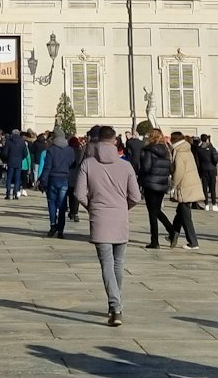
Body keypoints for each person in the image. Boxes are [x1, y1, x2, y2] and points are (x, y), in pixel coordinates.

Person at [72, 125, 141, 327]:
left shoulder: (88, 164)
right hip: (120, 218)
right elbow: (136, 196)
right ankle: (116, 303)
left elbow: (78, 193)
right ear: (115, 141)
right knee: (118, 264)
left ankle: (115, 305)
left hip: (100, 218)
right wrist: (122, 207)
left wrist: (92, 207)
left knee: (107, 264)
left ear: (97, 140)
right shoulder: (126, 166)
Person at [138, 128, 176, 248]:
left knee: (152, 212)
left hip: (150, 183)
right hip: (162, 183)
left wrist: (140, 174)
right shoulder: (166, 151)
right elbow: (170, 168)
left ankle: (156, 240)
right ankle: (171, 231)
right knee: (156, 210)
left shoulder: (149, 150)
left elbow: (146, 167)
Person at [167, 130, 203, 250]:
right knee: (181, 212)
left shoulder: (179, 152)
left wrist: (173, 184)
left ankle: (193, 242)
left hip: (184, 186)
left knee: (185, 215)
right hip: (190, 184)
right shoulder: (186, 149)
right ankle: (173, 234)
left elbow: (179, 172)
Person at [42, 128, 75, 237]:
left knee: (51, 202)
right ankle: (61, 230)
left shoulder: (51, 150)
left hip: (52, 178)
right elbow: (72, 163)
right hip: (64, 178)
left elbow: (47, 167)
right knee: (62, 205)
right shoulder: (69, 150)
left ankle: (53, 225)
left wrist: (43, 181)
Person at [195, 134, 218, 210]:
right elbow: (215, 159)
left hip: (203, 169)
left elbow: (197, 161)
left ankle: (206, 204)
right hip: (211, 169)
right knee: (212, 188)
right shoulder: (211, 148)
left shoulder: (199, 149)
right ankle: (214, 204)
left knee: (204, 187)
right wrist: (214, 164)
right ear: (207, 140)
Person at [3, 127, 26, 200]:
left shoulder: (9, 141)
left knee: (9, 178)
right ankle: (15, 193)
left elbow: (5, 153)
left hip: (10, 162)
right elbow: (25, 153)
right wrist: (20, 158)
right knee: (17, 179)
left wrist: (7, 159)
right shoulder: (22, 142)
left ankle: (8, 194)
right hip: (19, 162)